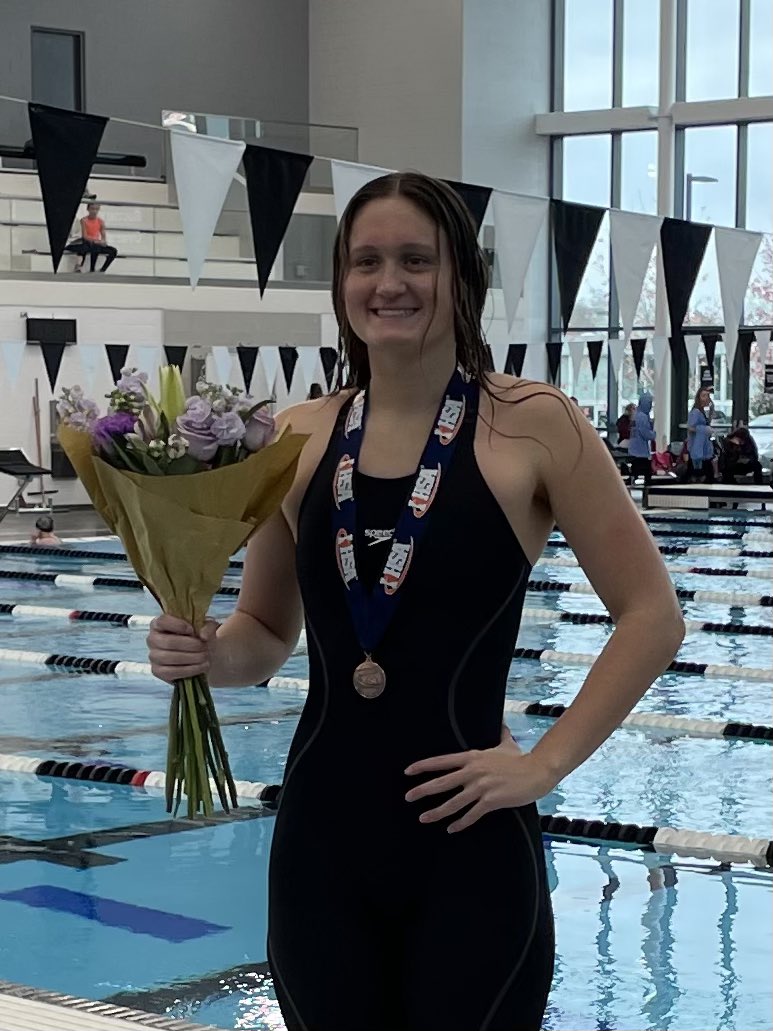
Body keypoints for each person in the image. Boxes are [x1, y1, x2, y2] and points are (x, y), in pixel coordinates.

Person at [146, 172, 685, 1031]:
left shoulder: (533, 422)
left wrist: (544, 765)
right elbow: (266, 632)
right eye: (366, 261)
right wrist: (206, 652)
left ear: (461, 276)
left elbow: (651, 614)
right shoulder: (299, 433)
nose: (388, 282)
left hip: (471, 844)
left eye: (415, 259)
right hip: (322, 843)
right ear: (341, 282)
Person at [65, 202, 118, 273]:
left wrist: (102, 242)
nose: (94, 211)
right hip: (88, 242)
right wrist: (96, 241)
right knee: (91, 247)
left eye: (96, 209)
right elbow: (85, 236)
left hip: (96, 243)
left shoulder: (100, 221)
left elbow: (103, 237)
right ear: (88, 209)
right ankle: (91, 269)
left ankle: (103, 269)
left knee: (113, 251)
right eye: (92, 209)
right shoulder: (84, 220)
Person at [687, 387, 715, 483]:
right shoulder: (696, 412)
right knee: (703, 474)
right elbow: (691, 427)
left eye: (708, 396)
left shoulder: (703, 412)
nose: (706, 398)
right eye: (703, 396)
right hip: (697, 449)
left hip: (703, 448)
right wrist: (703, 430)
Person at [628, 391, 657, 486]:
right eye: (649, 403)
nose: (650, 406)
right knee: (646, 472)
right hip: (641, 451)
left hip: (633, 449)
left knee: (635, 471)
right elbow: (646, 433)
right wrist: (653, 434)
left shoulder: (636, 415)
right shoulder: (643, 417)